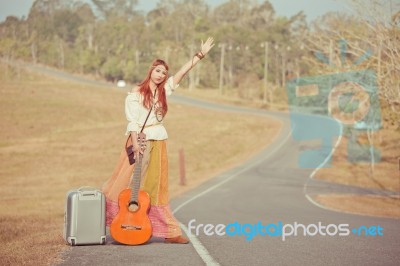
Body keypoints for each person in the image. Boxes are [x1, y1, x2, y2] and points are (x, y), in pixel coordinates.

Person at [102, 37, 215, 244]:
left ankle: (167, 232)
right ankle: (116, 221)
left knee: (157, 184)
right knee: (128, 181)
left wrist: (199, 56)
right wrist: (136, 144)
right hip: (139, 140)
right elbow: (133, 121)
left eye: (164, 72)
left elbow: (182, 73)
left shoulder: (164, 91)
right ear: (150, 71)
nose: (161, 75)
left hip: (158, 140)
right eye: (158, 71)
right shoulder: (136, 93)